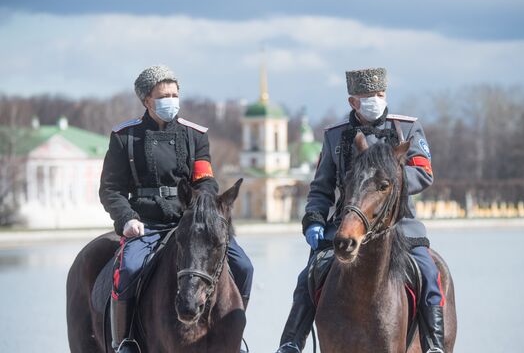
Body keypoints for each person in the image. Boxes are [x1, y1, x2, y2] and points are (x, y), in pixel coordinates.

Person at [275, 68, 445, 353]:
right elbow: (321, 188)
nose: (376, 100)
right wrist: (314, 220)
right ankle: (291, 342)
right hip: (349, 222)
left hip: (398, 224)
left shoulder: (408, 128)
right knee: (308, 276)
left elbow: (424, 173)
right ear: (353, 102)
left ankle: (434, 345)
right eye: (368, 96)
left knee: (429, 273)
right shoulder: (335, 136)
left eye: (380, 94)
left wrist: (393, 181)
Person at [99, 65, 254, 353]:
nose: (171, 100)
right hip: (146, 223)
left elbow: (206, 179)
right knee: (129, 268)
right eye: (163, 95)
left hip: (192, 221)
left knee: (244, 265)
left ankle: (234, 335)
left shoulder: (195, 135)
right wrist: (127, 219)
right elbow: (111, 190)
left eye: (175, 94)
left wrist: (203, 208)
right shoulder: (125, 137)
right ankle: (125, 341)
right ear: (147, 100)